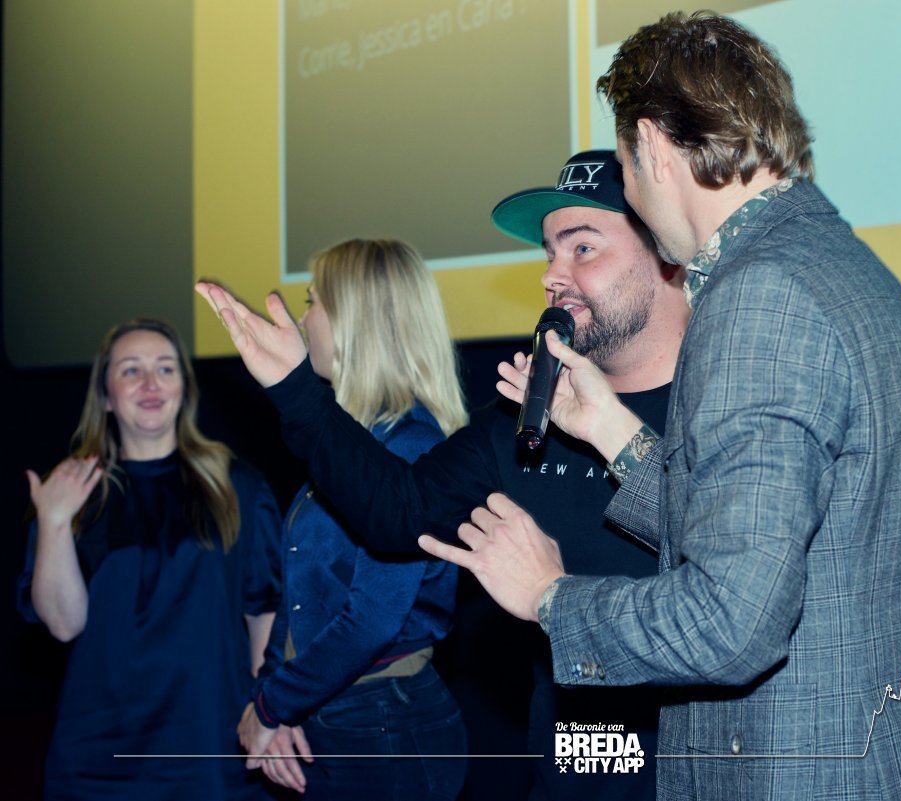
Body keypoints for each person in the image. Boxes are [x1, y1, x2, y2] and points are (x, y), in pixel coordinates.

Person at [418, 12, 901, 801]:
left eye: (625, 168)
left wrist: (550, 595)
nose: (634, 198)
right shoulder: (841, 265)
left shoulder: (760, 297)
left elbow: (732, 622)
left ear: (652, 145)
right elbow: (779, 541)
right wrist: (612, 430)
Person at [196, 150, 690, 801]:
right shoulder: (525, 416)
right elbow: (397, 514)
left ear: (669, 255)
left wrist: (553, 592)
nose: (552, 276)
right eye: (549, 254)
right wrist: (297, 391)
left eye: (583, 248)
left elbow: (739, 582)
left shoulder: (734, 405)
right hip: (575, 759)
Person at [234, 239, 470, 799]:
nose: (301, 320)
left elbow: (374, 618)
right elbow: (300, 597)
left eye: (312, 301)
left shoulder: (409, 447)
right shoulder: (354, 445)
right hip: (338, 712)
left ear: (354, 318)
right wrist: (276, 700)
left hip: (383, 723)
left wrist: (272, 706)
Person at [17, 318, 282, 801]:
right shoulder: (72, 492)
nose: (150, 384)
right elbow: (63, 624)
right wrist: (54, 522)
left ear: (185, 388)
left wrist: (270, 711)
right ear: (105, 395)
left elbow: (264, 612)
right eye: (131, 370)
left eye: (165, 369)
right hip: (100, 757)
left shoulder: (238, 486)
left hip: (212, 747)